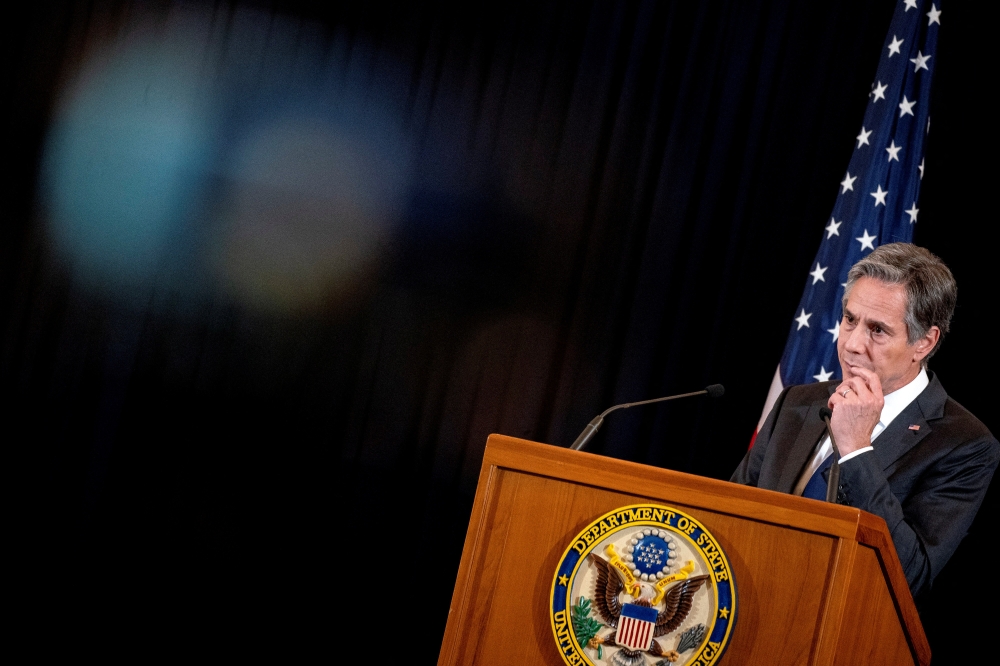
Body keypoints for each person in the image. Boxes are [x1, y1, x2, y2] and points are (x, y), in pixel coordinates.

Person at [731, 243, 998, 597]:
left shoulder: (964, 444)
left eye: (877, 330)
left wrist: (856, 449)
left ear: (924, 343)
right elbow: (732, 514)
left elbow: (908, 575)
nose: (852, 344)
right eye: (850, 320)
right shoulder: (797, 403)